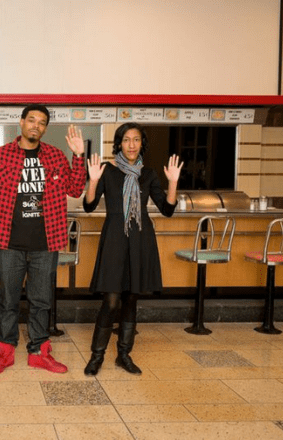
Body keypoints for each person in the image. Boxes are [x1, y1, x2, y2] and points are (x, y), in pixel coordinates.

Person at [0, 104, 86, 375]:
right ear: (21, 122)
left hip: (46, 244)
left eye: (42, 122)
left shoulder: (55, 156)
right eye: (31, 120)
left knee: (41, 300)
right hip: (8, 243)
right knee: (8, 300)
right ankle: (5, 353)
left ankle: (39, 352)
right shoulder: (1, 156)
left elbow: (76, 188)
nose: (36, 126)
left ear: (45, 128)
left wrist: (79, 156)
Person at [83, 122, 183, 377]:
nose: (131, 144)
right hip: (115, 239)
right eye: (126, 139)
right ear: (119, 143)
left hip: (140, 239)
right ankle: (97, 356)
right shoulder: (107, 170)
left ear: (141, 144)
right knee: (112, 300)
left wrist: (172, 182)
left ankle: (124, 355)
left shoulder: (147, 174)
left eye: (136, 139)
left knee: (131, 299)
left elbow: (167, 209)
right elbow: (89, 206)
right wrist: (93, 181)